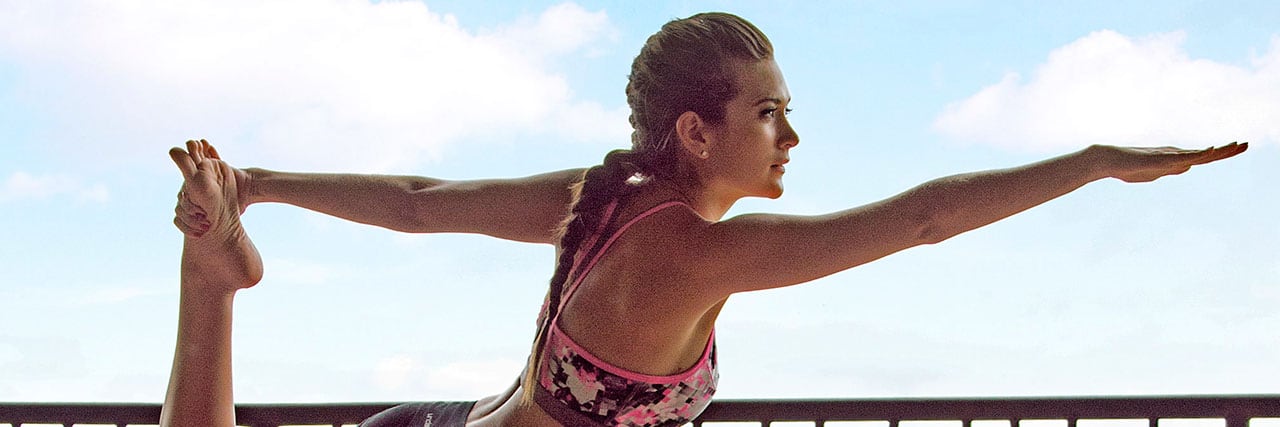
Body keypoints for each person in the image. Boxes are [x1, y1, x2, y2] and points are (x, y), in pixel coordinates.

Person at [160, 12, 1247, 427]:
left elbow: (416, 204)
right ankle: (212, 279)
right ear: (694, 130)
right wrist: (1098, 161)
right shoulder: (694, 252)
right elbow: (924, 217)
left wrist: (258, 178)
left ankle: (219, 260)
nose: (788, 136)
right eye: (767, 112)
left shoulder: (597, 198)